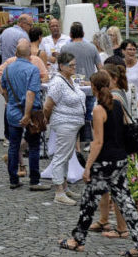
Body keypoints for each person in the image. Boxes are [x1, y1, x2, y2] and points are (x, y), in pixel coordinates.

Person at [60, 71, 138, 256]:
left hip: (105, 163)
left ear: (93, 88)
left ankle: (77, 240)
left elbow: (97, 142)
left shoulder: (98, 110)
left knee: (88, 203)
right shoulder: (118, 104)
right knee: (126, 203)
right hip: (121, 160)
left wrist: (88, 167)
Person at [0, 38, 48, 191]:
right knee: (33, 146)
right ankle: (34, 180)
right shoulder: (32, 69)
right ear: (30, 55)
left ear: (16, 53)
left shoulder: (7, 69)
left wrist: (10, 102)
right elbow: (31, 93)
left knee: (13, 146)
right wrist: (27, 114)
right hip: (31, 113)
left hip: (12, 112)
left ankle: (13, 179)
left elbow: (5, 90)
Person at [44, 52, 85, 205]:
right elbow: (48, 105)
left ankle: (65, 187)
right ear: (61, 66)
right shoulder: (57, 83)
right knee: (61, 156)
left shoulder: (70, 80)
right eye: (71, 65)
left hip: (73, 124)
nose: (74, 67)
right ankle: (59, 191)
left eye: (75, 65)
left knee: (67, 156)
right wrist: (46, 120)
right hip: (64, 124)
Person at [61, 21, 101, 148]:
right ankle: (88, 142)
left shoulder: (65, 48)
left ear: (71, 34)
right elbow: (101, 68)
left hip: (71, 88)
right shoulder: (92, 47)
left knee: (72, 116)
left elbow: (60, 69)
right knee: (88, 116)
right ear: (83, 33)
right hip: (89, 88)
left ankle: (75, 143)